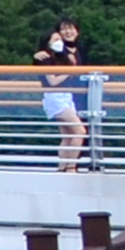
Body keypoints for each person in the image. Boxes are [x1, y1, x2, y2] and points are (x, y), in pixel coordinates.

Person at [34, 18, 91, 171]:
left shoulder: (64, 55)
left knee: (67, 136)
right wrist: (69, 70)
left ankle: (62, 167)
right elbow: (51, 80)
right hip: (56, 98)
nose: (61, 41)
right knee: (80, 131)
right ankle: (71, 167)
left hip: (68, 96)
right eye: (56, 39)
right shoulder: (45, 57)